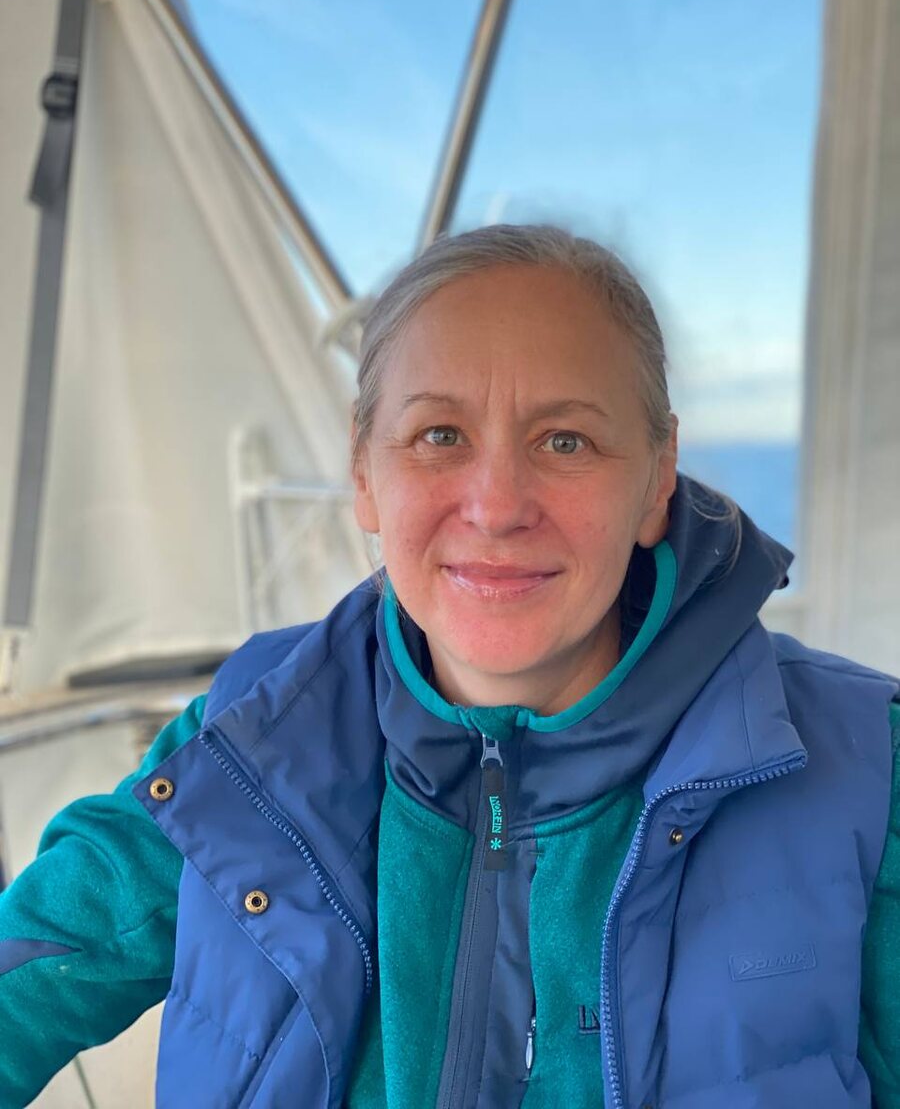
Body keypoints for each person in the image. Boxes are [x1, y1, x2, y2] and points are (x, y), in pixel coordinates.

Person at [1, 224, 898, 1109]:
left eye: (565, 441)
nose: (498, 506)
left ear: (657, 477)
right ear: (364, 472)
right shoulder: (250, 744)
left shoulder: (865, 767)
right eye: (439, 435)